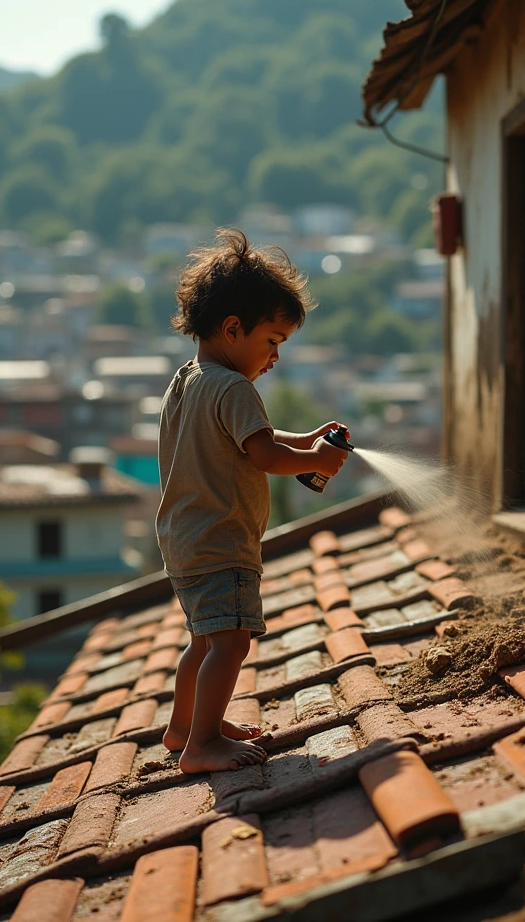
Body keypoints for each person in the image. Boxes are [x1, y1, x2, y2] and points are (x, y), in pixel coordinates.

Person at [156, 228, 349, 773]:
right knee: (232, 643)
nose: (274, 357)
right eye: (272, 341)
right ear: (233, 328)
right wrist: (316, 460)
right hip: (222, 543)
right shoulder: (235, 388)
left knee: (204, 640)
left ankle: (184, 728)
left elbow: (254, 438)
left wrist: (308, 442)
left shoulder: (191, 380)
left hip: (184, 540)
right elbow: (264, 456)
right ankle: (203, 747)